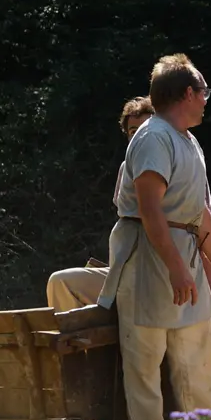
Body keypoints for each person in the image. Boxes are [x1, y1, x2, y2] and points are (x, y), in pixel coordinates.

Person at [96, 57, 211, 420]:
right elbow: (151, 211)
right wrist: (177, 270)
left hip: (181, 251)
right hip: (149, 260)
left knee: (196, 359)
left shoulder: (186, 138)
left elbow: (197, 212)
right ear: (187, 93)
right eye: (202, 91)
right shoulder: (153, 137)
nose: (206, 99)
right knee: (145, 363)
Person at [46, 97, 155, 311]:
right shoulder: (126, 168)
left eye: (145, 129)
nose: (139, 136)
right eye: (133, 131)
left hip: (156, 275)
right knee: (60, 282)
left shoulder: (175, 164)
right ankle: (76, 343)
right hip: (123, 272)